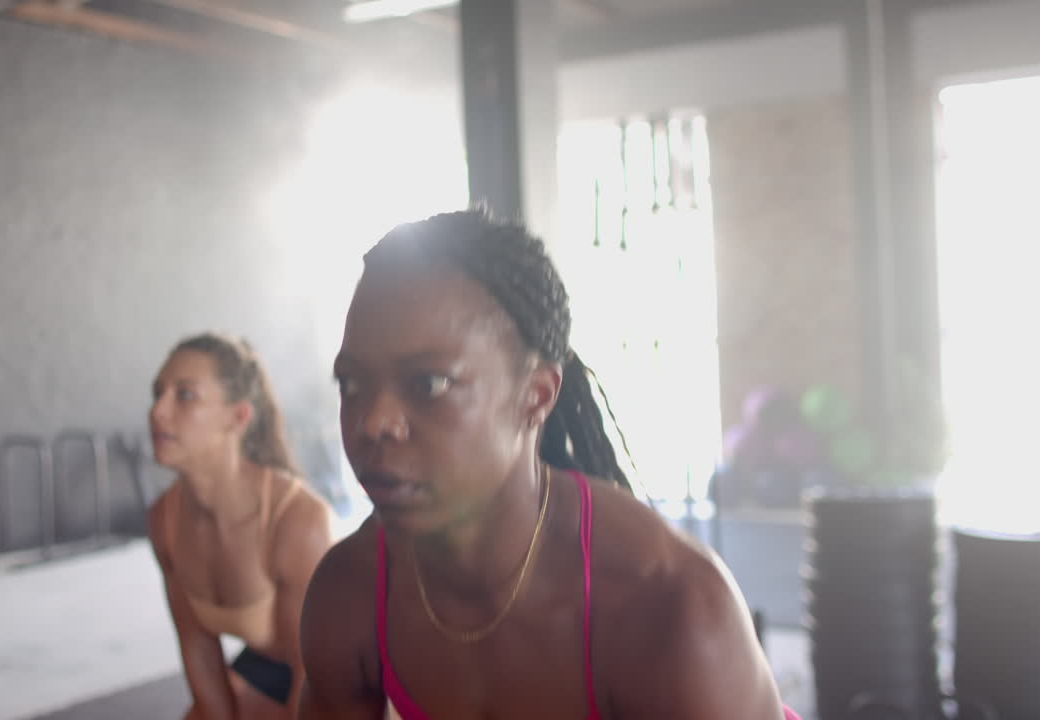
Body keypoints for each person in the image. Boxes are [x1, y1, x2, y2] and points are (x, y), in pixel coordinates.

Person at [297, 209, 800, 719]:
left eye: (428, 384)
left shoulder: (666, 608)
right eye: (353, 384)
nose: (373, 422)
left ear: (536, 397)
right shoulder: (352, 593)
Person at [148, 333, 332, 720]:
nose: (158, 411)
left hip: (346, 675)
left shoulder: (297, 522)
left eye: (184, 395)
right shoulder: (165, 520)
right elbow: (199, 651)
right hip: (271, 664)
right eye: (158, 392)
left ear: (239, 416)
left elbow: (317, 679)